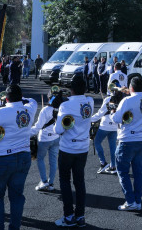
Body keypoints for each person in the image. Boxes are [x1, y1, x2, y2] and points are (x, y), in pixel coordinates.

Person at [0, 85, 38, 230]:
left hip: (2, 158)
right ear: (21, 96)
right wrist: (21, 98)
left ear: (6, 98)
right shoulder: (30, 109)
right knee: (17, 196)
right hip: (24, 156)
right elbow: (33, 100)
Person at [53, 76, 93, 227]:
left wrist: (57, 108)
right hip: (83, 148)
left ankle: (69, 216)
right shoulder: (89, 101)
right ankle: (80, 215)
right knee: (79, 182)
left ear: (72, 89)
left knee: (65, 181)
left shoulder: (66, 106)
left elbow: (58, 130)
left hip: (68, 148)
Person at [112, 77, 142, 211]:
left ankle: (130, 201)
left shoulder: (127, 100)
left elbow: (116, 119)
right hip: (141, 139)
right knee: (138, 172)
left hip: (127, 139)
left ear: (131, 87)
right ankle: (137, 201)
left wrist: (112, 111)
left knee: (122, 172)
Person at [32, 92, 66, 192]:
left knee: (40, 159)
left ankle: (44, 181)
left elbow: (38, 126)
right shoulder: (62, 109)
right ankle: (51, 184)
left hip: (44, 139)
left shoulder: (45, 110)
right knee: (53, 161)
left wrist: (27, 133)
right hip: (56, 138)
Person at [91, 91, 121, 174]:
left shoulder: (108, 99)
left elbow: (100, 113)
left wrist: (90, 119)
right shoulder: (122, 99)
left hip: (105, 126)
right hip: (115, 126)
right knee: (113, 147)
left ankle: (103, 163)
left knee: (97, 142)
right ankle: (113, 166)